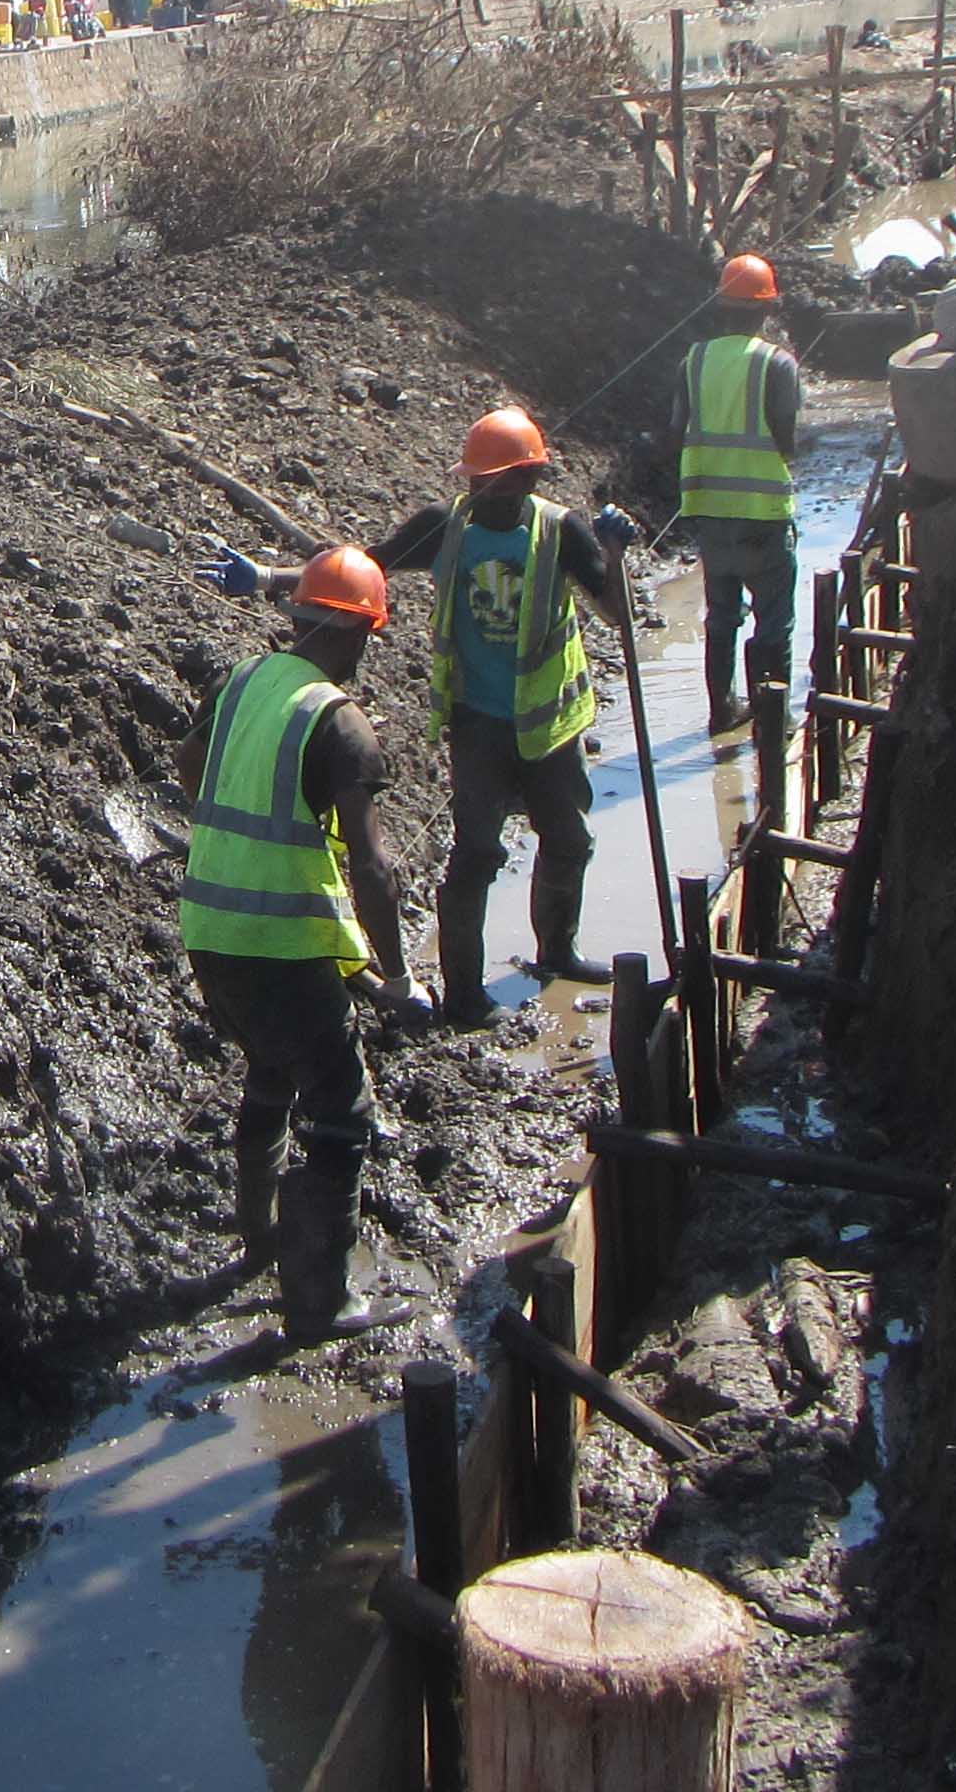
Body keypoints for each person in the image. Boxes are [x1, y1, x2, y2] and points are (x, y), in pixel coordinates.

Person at [210, 407, 632, 1029]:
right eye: (474, 482)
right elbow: (364, 568)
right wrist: (272, 577)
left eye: (495, 482)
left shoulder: (559, 531)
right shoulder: (445, 528)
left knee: (569, 840)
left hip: (550, 723)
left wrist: (615, 553)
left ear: (527, 480)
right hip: (479, 722)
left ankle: (557, 951)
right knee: (476, 855)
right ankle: (465, 993)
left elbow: (616, 614)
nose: (481, 493)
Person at [174, 545, 422, 1338]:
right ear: (354, 633)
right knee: (342, 1112)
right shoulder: (341, 723)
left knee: (269, 1068)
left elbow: (187, 765)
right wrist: (400, 976)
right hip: (282, 944)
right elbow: (374, 869)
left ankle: (260, 1238)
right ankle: (319, 1300)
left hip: (209, 929)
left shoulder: (243, 681)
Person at [669, 255, 802, 733]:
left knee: (722, 617)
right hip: (764, 513)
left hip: (710, 512)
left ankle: (722, 709)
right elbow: (787, 439)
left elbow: (675, 432)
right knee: (774, 621)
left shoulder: (694, 361)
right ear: (766, 310)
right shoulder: (777, 364)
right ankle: (773, 718)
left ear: (720, 306)